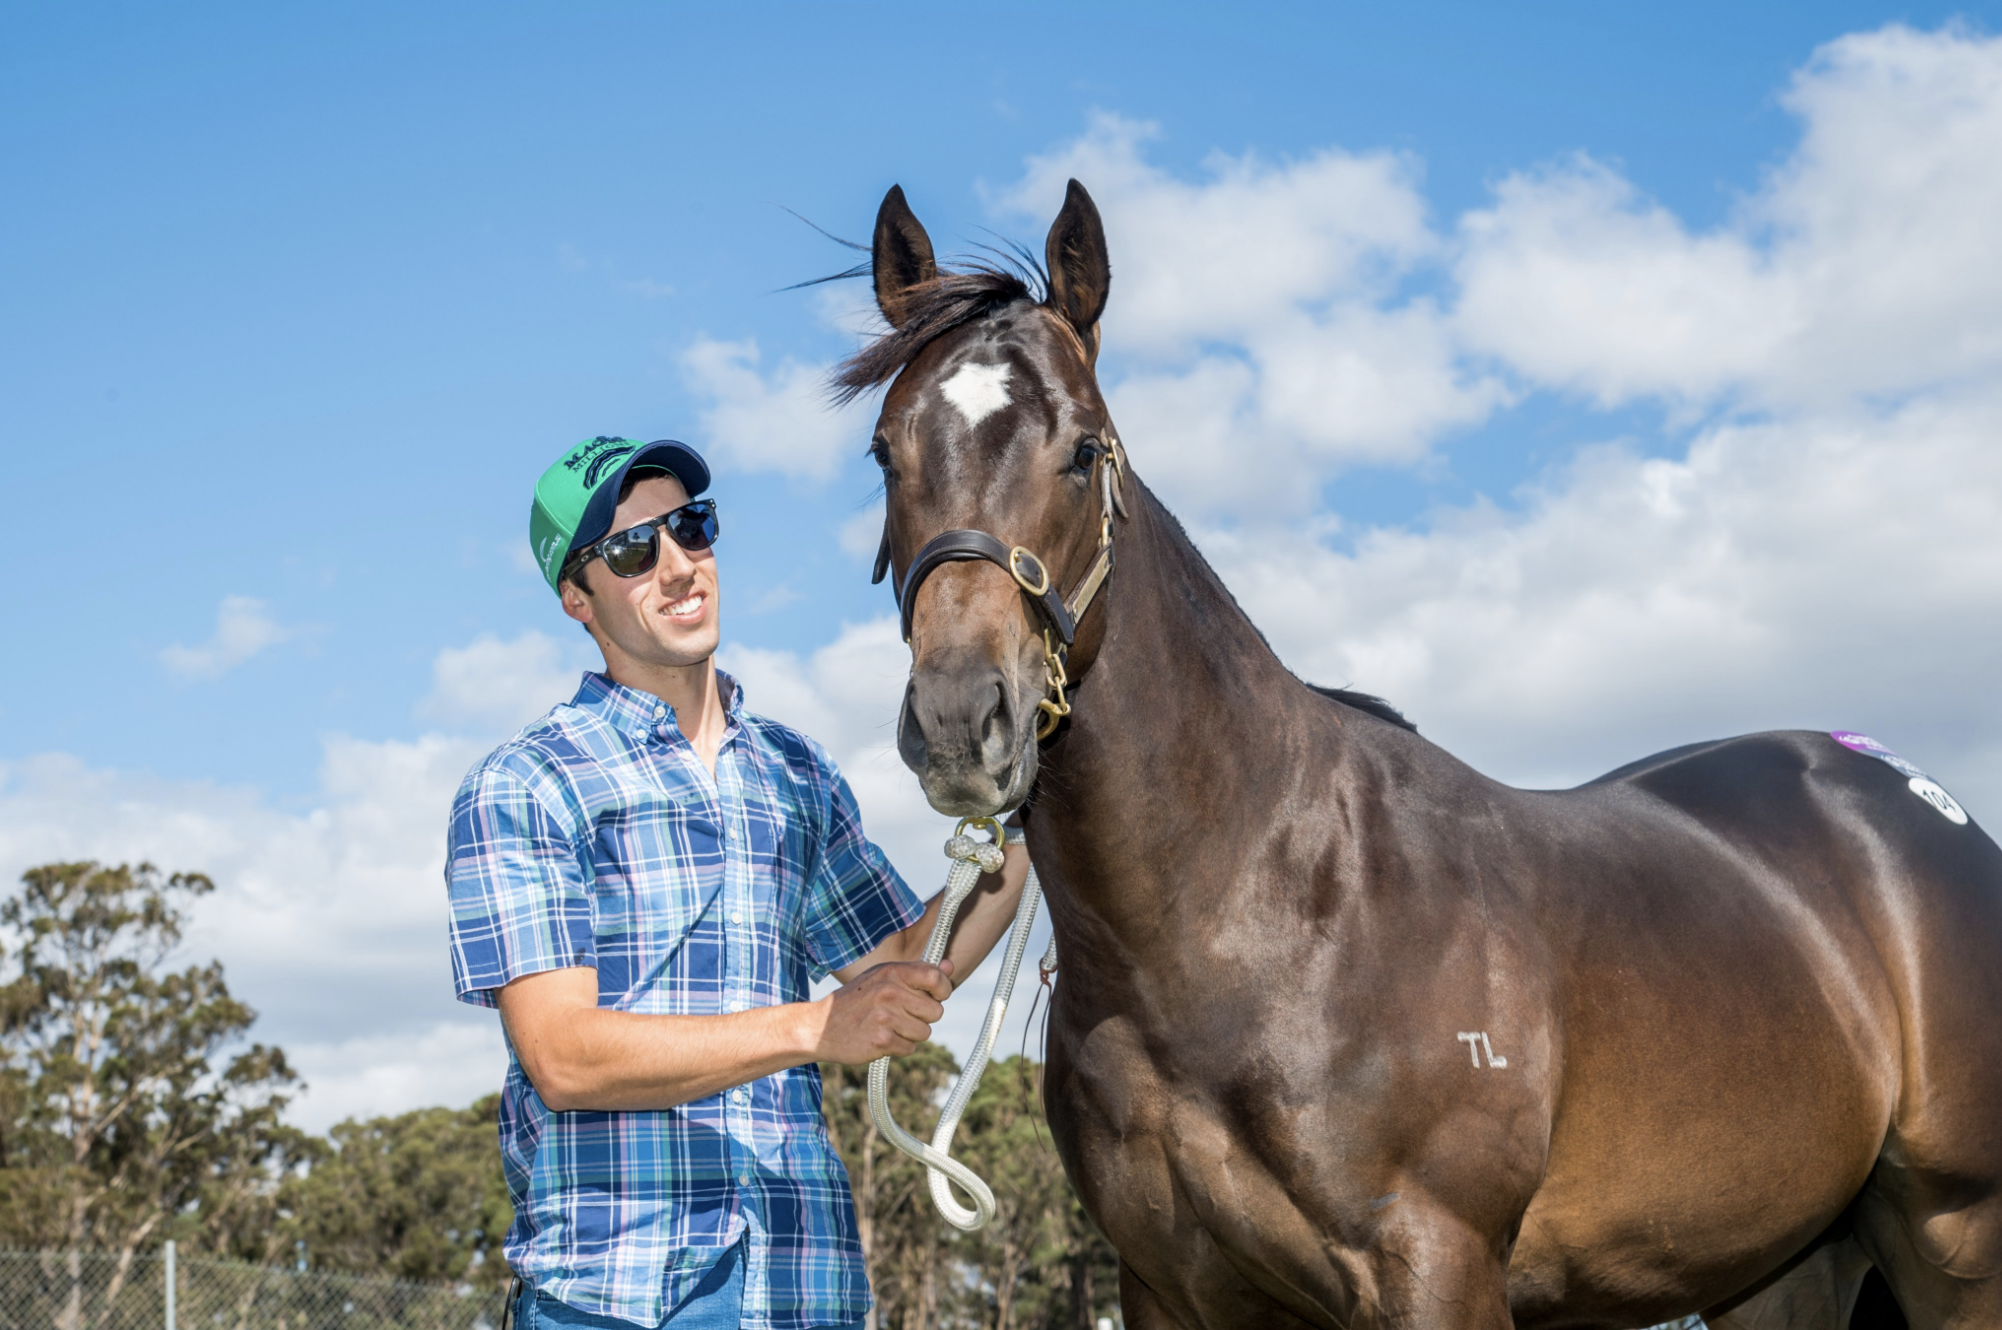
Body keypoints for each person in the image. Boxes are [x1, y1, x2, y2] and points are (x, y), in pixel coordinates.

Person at [445, 436, 1031, 1330]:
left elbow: (910, 962)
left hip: (805, 1286)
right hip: (620, 1298)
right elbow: (560, 1057)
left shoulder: (793, 771)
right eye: (634, 551)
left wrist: (1038, 808)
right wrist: (813, 1028)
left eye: (692, 527)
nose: (679, 566)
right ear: (577, 597)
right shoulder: (525, 784)